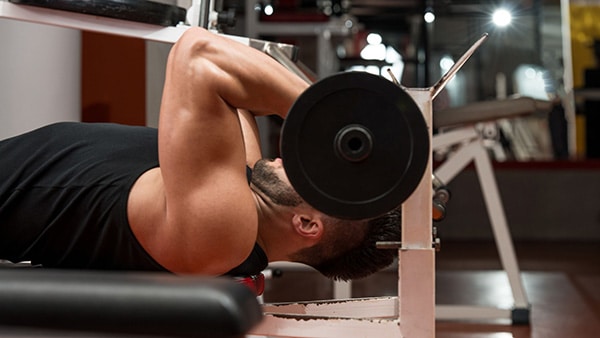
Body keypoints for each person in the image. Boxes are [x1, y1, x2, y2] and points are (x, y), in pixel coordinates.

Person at [0, 27, 400, 281]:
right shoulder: (239, 183)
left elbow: (199, 56)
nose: (308, 162)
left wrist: (327, 116)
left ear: (307, 224)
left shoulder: (223, 235)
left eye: (324, 177)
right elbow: (237, 80)